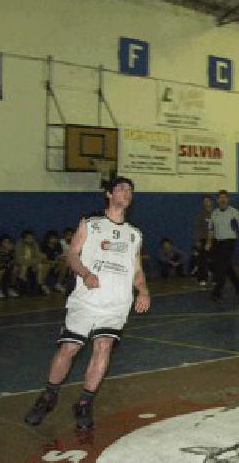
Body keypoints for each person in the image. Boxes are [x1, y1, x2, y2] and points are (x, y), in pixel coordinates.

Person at [23, 176, 150, 430]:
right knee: (70, 347)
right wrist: (85, 273)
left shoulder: (134, 234)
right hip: (86, 301)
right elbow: (71, 254)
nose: (127, 193)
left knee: (103, 347)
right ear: (108, 194)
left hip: (117, 303)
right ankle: (48, 396)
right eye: (121, 188)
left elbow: (136, 270)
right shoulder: (91, 224)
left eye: (130, 190)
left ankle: (84, 403)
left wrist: (144, 291)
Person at [205, 190, 239, 301]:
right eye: (220, 198)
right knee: (226, 266)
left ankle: (216, 292)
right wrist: (208, 242)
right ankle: (238, 285)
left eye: (225, 197)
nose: (222, 200)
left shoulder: (234, 212)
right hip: (218, 242)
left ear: (228, 199)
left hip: (230, 241)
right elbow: (211, 229)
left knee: (222, 267)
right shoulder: (214, 213)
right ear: (217, 200)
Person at [13, 230, 48, 295]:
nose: (31, 240)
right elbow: (19, 259)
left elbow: (39, 257)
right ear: (23, 239)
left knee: (40, 266)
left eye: (32, 238)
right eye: (28, 238)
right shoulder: (19, 245)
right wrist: (31, 263)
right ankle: (22, 287)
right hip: (20, 264)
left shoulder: (35, 244)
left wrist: (33, 263)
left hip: (32, 264)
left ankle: (39, 286)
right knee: (24, 267)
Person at [193, 196, 214, 286]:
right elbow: (198, 228)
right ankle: (202, 278)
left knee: (215, 260)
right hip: (203, 239)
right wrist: (198, 240)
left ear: (211, 202)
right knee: (202, 260)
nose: (206, 203)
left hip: (215, 239)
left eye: (207, 201)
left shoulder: (216, 213)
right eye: (204, 201)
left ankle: (215, 279)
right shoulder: (201, 214)